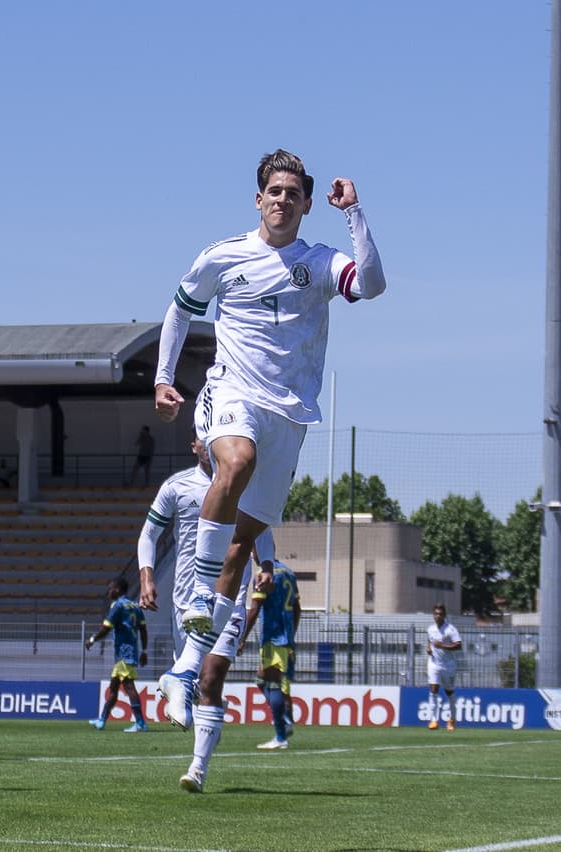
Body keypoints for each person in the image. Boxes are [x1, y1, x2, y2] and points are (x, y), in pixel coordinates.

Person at [154, 148, 387, 649]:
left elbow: (371, 285)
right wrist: (163, 378)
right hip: (231, 391)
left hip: (290, 413)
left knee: (242, 545)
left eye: (294, 194)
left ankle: (186, 671)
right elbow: (179, 310)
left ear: (306, 206)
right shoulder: (222, 256)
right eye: (275, 192)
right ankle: (197, 592)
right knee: (237, 461)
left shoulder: (320, 262)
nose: (283, 200)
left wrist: (354, 212)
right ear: (259, 200)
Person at [177, 534, 265, 793]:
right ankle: (212, 721)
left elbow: (264, 544)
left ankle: (197, 769)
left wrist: (267, 566)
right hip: (197, 609)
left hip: (231, 612)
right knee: (196, 685)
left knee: (210, 679)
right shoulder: (204, 512)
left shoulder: (249, 508)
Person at [138, 437, 213, 727]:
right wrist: (146, 578)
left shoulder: (239, 482)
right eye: (201, 440)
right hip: (187, 595)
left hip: (229, 590)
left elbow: (256, 531)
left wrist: (264, 564)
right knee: (196, 677)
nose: (208, 444)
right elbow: (148, 534)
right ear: (192, 445)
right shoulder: (176, 486)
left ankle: (199, 764)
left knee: (212, 673)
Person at [240, 555, 300, 749]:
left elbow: (255, 608)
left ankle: (281, 735)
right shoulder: (289, 572)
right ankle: (284, 719)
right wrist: (291, 633)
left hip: (272, 636)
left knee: (272, 683)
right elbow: (298, 608)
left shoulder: (263, 574)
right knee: (262, 678)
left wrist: (241, 638)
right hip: (286, 637)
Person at [84, 577, 149, 732]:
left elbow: (106, 628)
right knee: (113, 687)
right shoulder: (135, 605)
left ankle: (140, 723)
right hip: (129, 651)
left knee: (129, 686)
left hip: (124, 653)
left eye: (111, 588)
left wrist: (92, 639)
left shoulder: (118, 606)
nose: (109, 591)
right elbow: (143, 629)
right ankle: (102, 720)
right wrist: (144, 651)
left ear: (118, 590)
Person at [426, 603, 462, 731]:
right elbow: (430, 640)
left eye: (440, 614)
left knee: (449, 692)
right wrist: (429, 648)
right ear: (433, 615)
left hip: (448, 665)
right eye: (436, 614)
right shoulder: (430, 629)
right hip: (434, 664)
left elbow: (459, 645)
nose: (438, 616)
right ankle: (434, 720)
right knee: (433, 689)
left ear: (444, 615)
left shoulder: (450, 630)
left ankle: (452, 719)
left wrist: (442, 646)